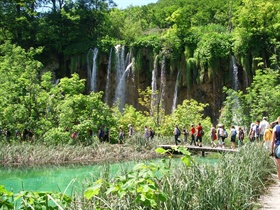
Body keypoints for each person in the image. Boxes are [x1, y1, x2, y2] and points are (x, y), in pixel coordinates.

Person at [271, 116, 280, 182]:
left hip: (278, 147)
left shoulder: (275, 128)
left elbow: (272, 141)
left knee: (278, 166)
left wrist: (271, 151)